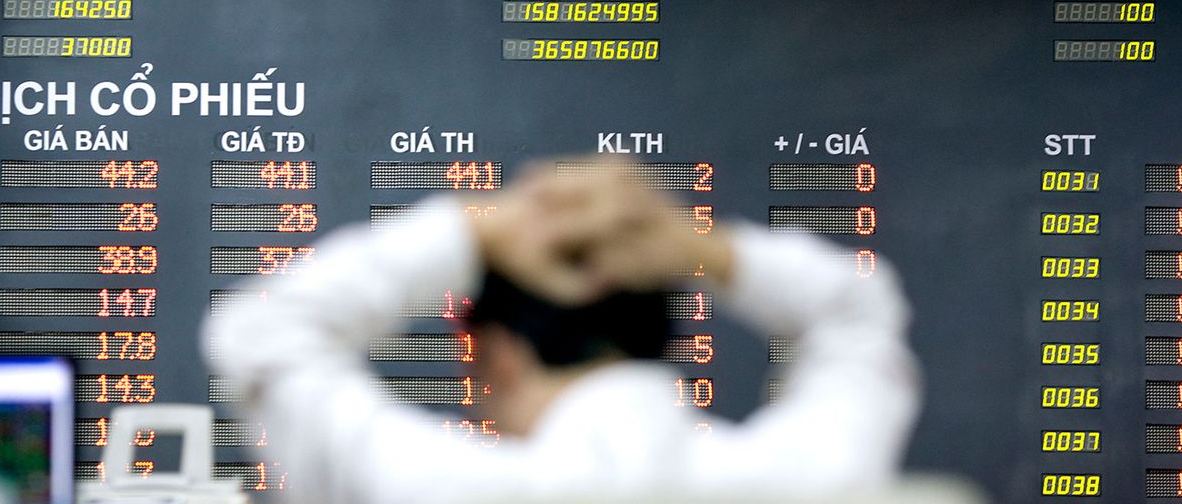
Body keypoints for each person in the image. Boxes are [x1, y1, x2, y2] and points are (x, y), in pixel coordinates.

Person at [205, 162, 920, 503]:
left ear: (496, 355)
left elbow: (261, 332)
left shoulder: (434, 487)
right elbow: (858, 311)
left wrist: (480, 228)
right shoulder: (811, 481)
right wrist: (701, 246)